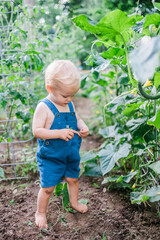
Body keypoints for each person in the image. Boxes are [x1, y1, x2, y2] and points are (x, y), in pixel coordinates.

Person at [32, 60, 89, 229]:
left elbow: (76, 118)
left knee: (73, 179)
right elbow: (37, 131)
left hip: (70, 153)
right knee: (48, 188)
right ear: (50, 88)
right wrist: (58, 133)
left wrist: (83, 126)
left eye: (72, 95)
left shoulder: (68, 103)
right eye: (65, 96)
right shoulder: (44, 107)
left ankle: (74, 202)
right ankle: (40, 212)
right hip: (51, 157)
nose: (69, 99)